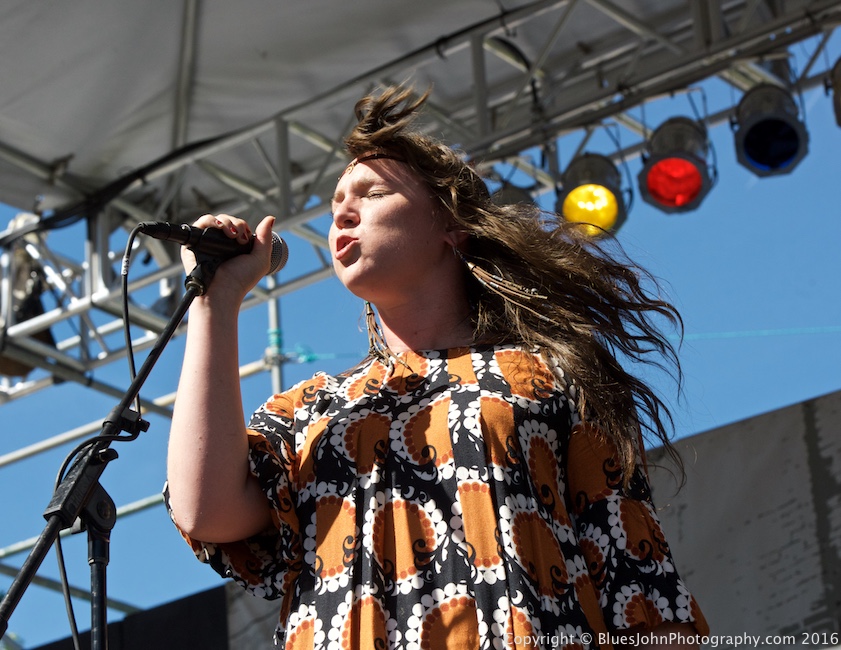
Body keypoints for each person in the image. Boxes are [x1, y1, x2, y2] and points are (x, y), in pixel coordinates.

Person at [165, 85, 709, 649]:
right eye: (335, 204)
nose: (342, 213)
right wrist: (215, 300)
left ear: (451, 225)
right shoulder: (310, 408)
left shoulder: (547, 375)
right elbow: (206, 511)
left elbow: (639, 582)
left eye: (373, 193)